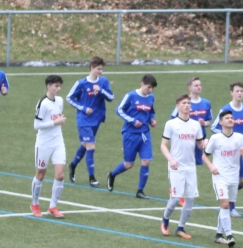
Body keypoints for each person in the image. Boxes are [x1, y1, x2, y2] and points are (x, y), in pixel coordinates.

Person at [160, 94, 205, 239]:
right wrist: (171, 160)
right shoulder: (171, 124)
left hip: (190, 166)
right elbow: (163, 145)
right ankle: (165, 220)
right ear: (177, 106)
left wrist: (205, 144)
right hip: (176, 167)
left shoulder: (195, 125)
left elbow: (199, 144)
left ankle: (181, 227)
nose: (187, 105)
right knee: (175, 198)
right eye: (184, 103)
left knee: (190, 198)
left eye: (188, 103)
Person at [203, 109, 243, 248]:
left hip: (233, 176)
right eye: (227, 118)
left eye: (231, 118)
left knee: (227, 206)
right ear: (221, 122)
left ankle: (218, 235)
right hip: (220, 176)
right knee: (224, 204)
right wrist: (211, 167)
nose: (230, 120)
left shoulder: (240, 138)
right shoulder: (215, 138)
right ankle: (229, 235)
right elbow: (204, 155)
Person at [108, 73, 158, 199]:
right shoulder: (130, 96)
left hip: (145, 134)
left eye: (152, 88)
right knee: (129, 164)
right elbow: (119, 110)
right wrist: (132, 121)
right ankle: (112, 175)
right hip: (130, 134)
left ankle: (140, 191)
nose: (150, 90)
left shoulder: (151, 97)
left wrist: (152, 120)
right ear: (142, 84)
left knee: (146, 161)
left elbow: (151, 112)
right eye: (148, 87)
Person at [67, 56, 114, 187]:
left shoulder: (103, 81)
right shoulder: (81, 83)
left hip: (97, 119)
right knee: (91, 147)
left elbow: (111, 97)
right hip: (84, 120)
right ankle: (92, 178)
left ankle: (73, 165)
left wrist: (101, 91)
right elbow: (69, 98)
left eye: (102, 69)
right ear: (92, 68)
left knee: (85, 144)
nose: (101, 71)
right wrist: (83, 108)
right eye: (98, 69)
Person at [210, 81, 243, 217]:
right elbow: (214, 127)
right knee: (232, 178)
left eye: (241, 91)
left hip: (241, 150)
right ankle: (230, 207)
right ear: (231, 93)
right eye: (237, 91)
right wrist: (227, 137)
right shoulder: (225, 110)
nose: (239, 93)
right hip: (228, 151)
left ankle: (225, 196)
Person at [30, 75, 68, 218]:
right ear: (48, 86)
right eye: (56, 86)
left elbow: (57, 117)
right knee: (40, 175)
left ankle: (53, 206)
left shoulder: (60, 101)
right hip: (44, 143)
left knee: (60, 175)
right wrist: (55, 122)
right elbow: (36, 125)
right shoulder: (43, 103)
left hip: (58, 142)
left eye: (59, 86)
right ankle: (34, 204)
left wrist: (59, 121)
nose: (59, 89)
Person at [170, 76, 212, 170]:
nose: (199, 87)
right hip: (185, 139)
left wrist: (203, 123)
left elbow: (208, 122)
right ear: (189, 87)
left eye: (200, 85)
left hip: (199, 140)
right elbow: (173, 119)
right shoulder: (184, 103)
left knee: (193, 166)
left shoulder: (206, 103)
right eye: (196, 85)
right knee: (182, 164)